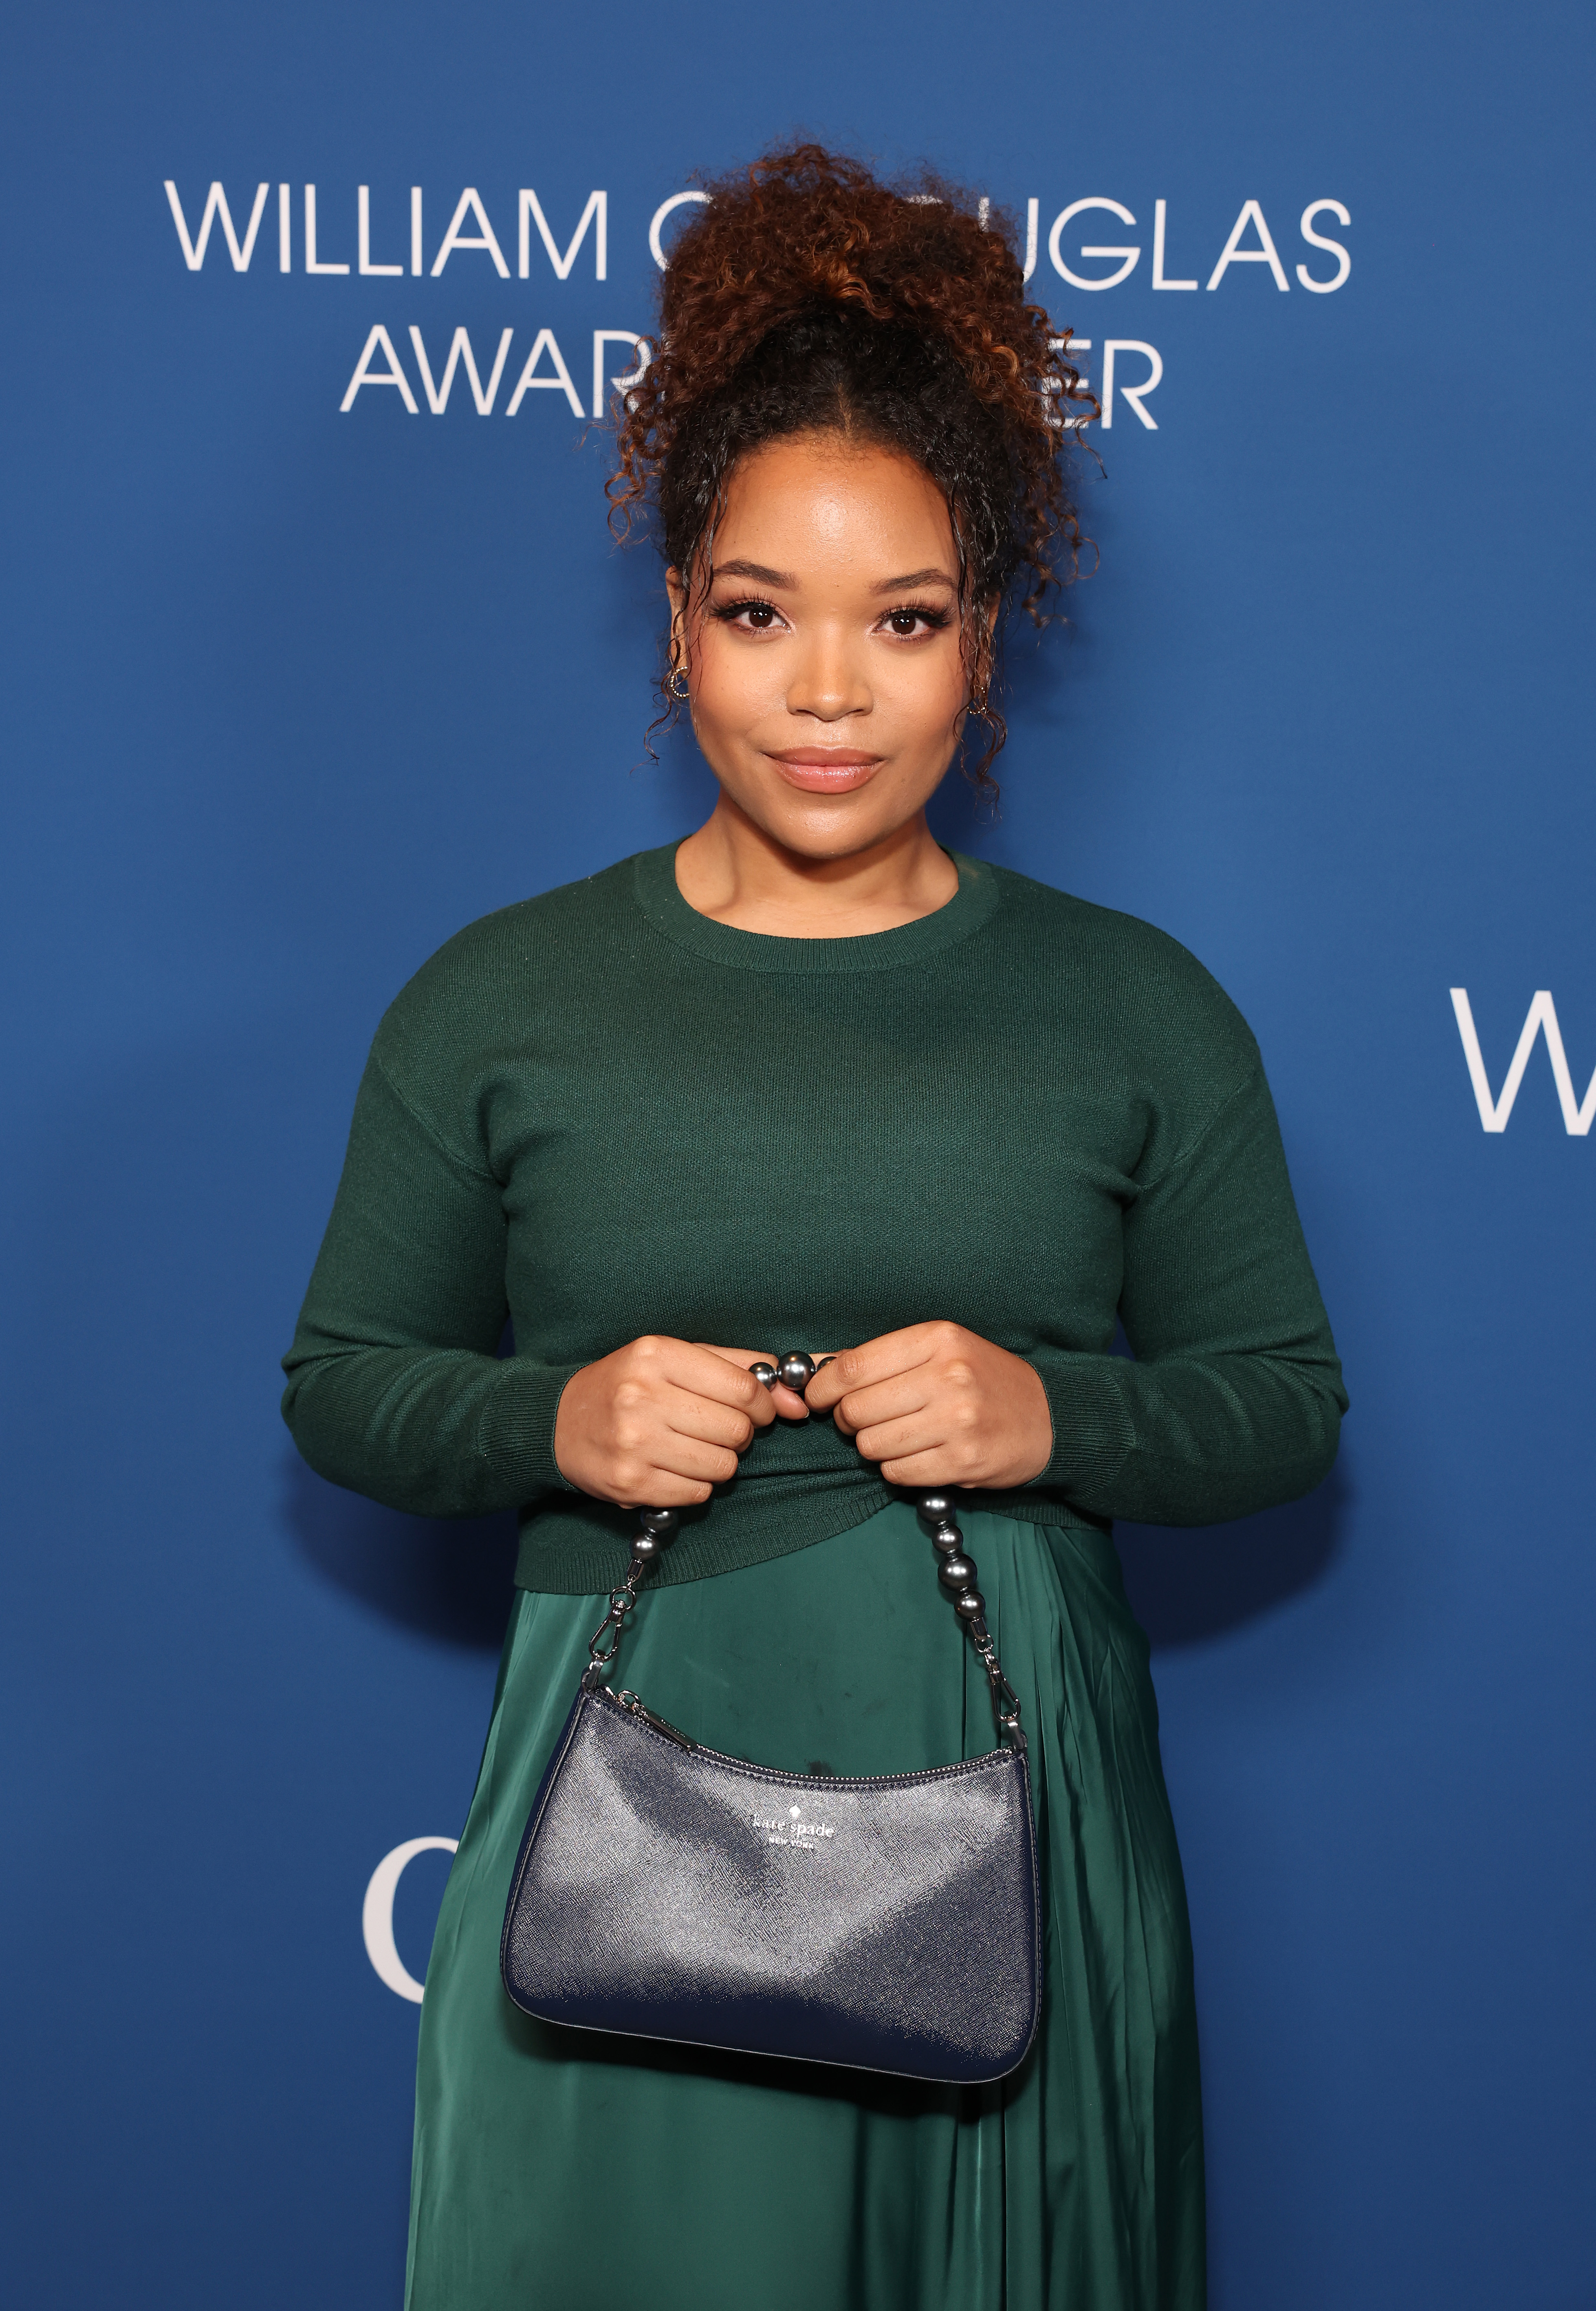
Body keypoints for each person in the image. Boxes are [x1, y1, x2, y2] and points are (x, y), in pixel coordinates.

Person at [282, 143, 1345, 2311]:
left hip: (1004, 1807)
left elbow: (1281, 1406)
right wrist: (555, 1421)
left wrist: (1054, 1417)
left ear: (986, 644)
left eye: (906, 620)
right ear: (680, 621)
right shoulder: (500, 999)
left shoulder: (1133, 1006)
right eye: (763, 613)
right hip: (620, 1827)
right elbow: (345, 1386)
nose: (831, 692)